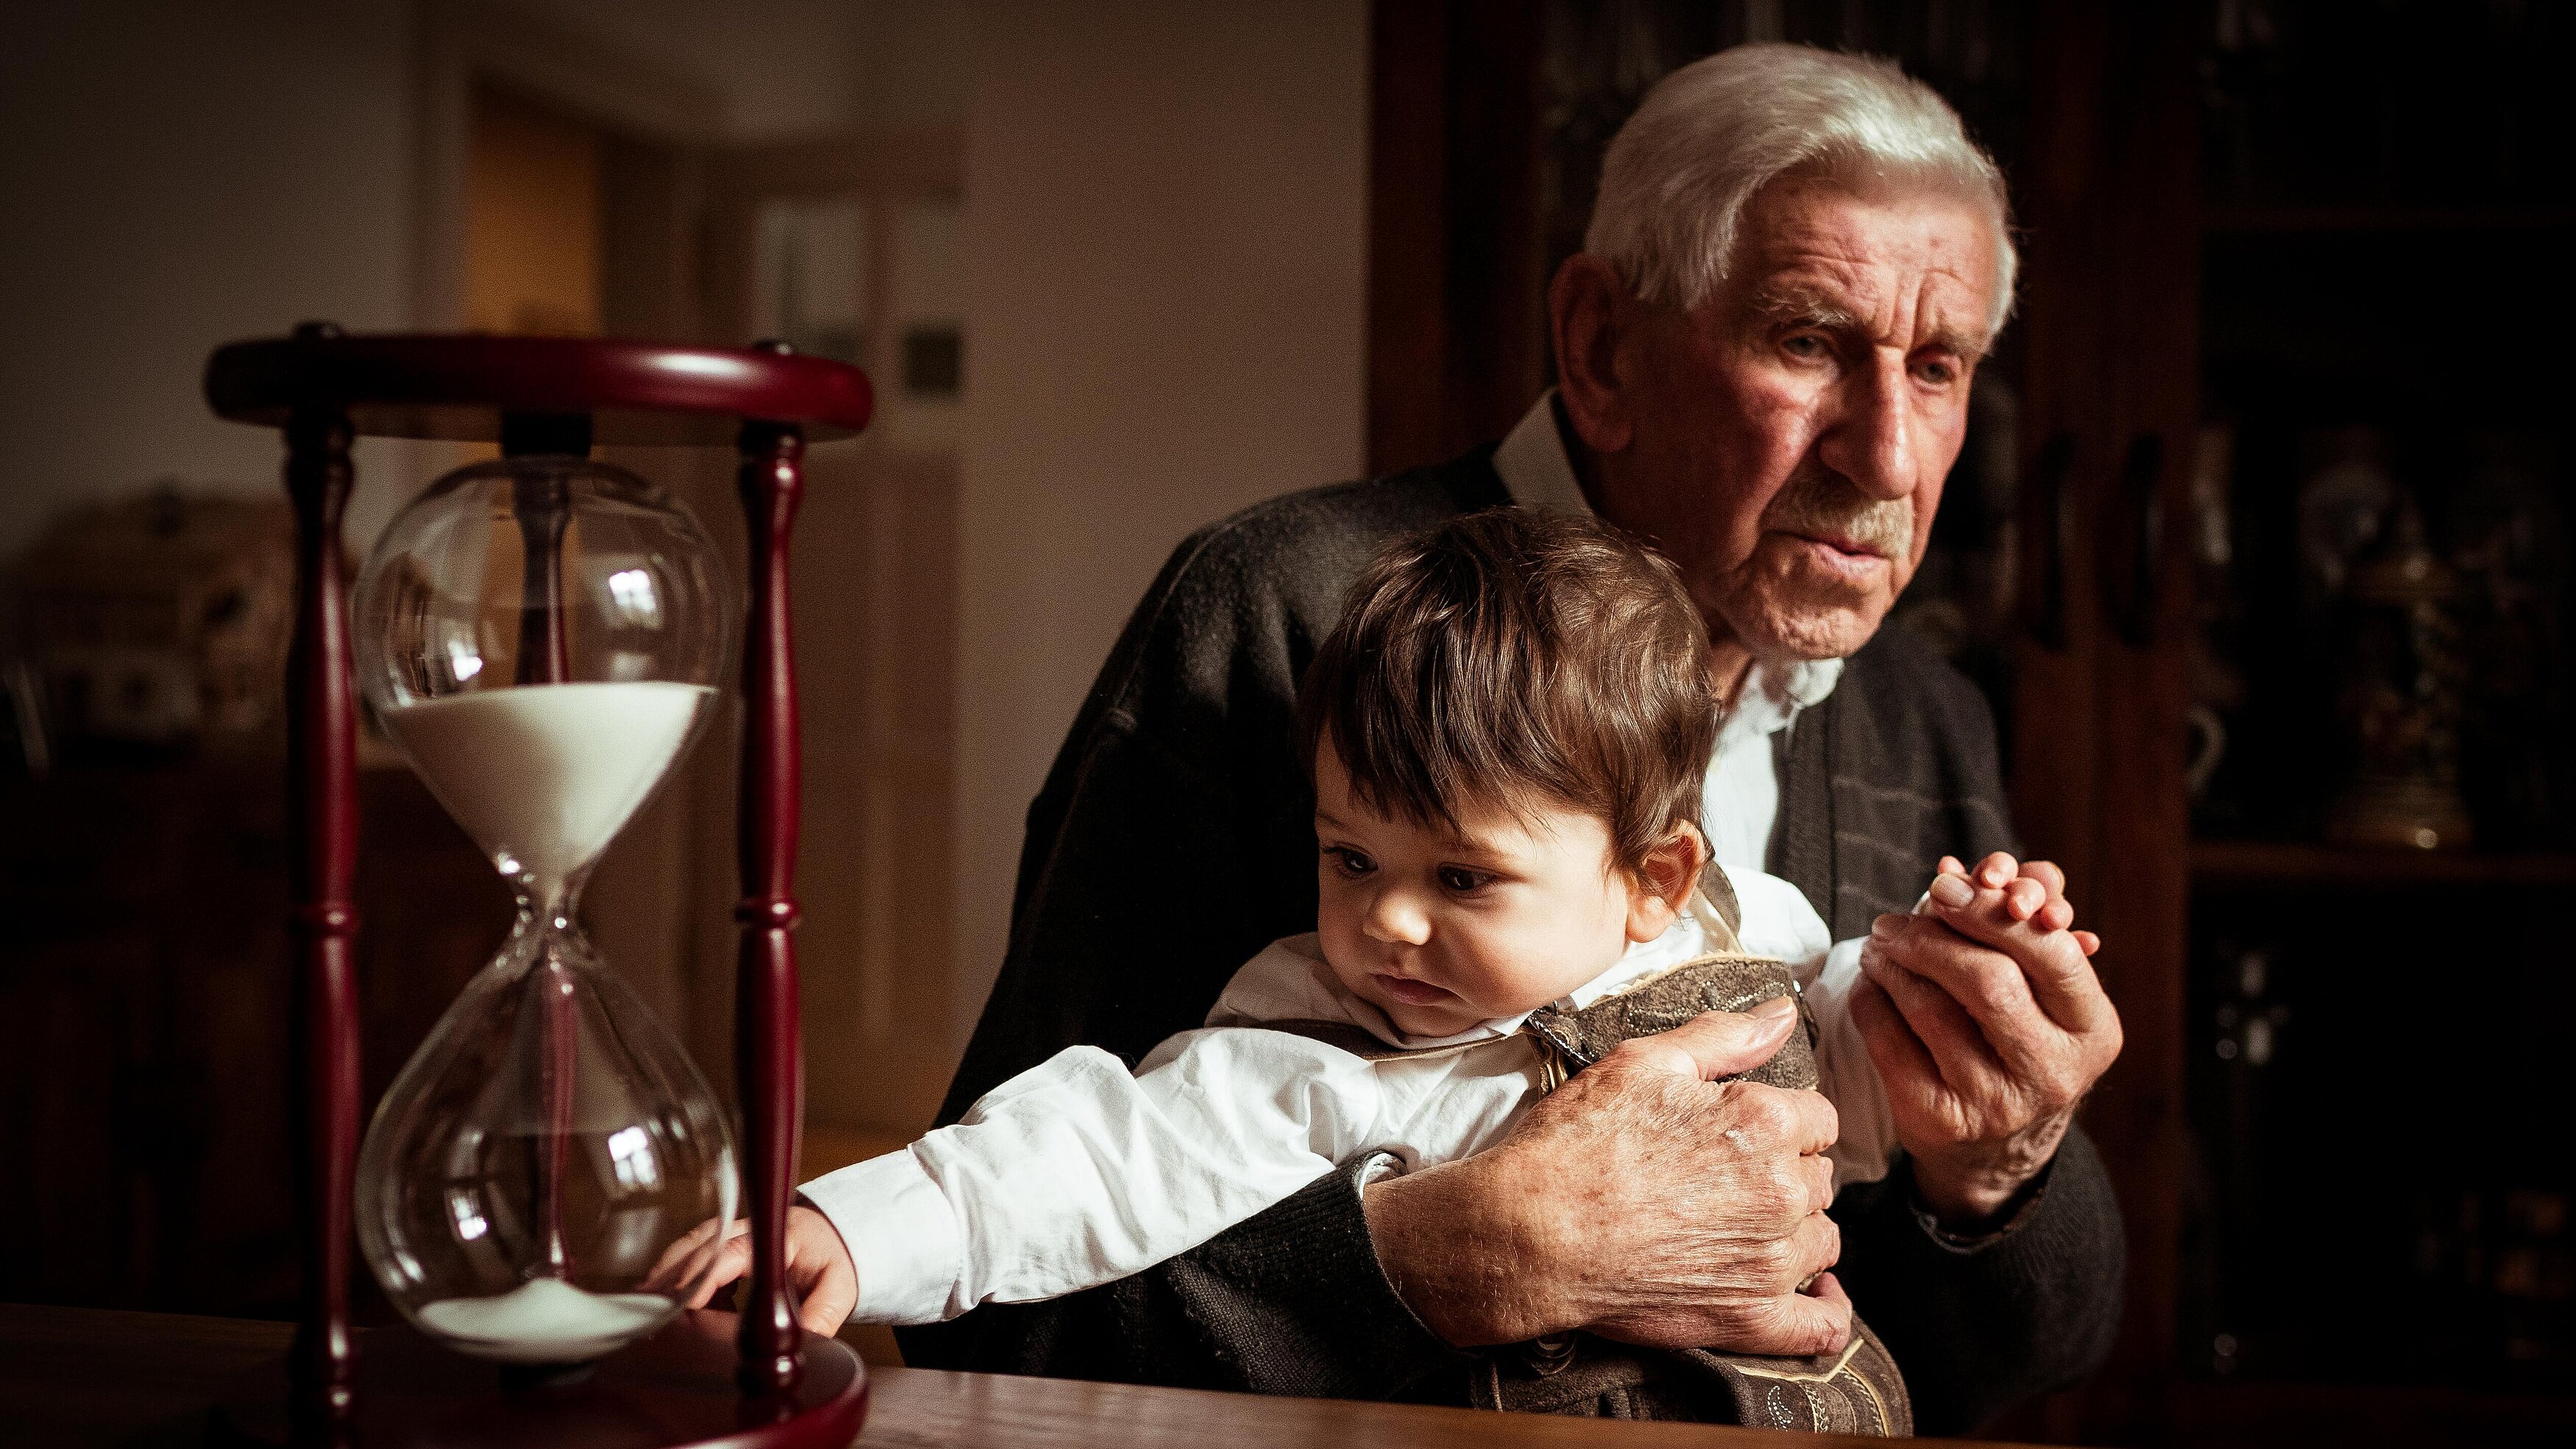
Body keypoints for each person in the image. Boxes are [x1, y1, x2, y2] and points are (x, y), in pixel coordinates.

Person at [894, 43, 2124, 1434]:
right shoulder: (1277, 614)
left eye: (1941, 366)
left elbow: (2036, 1349)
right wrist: (1445, 1260)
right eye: (1806, 341)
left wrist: (2001, 1172)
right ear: (1602, 350)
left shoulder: (1920, 711)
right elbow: (999, 1316)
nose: (1890, 456)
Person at [679, 511, 2092, 1420]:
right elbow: (1087, 1156)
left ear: (1659, 878)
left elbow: (1876, 1072)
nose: (1388, 926)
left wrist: (1966, 968)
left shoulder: (1763, 939)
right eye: (1351, 859)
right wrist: (857, 1232)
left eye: (1461, 878)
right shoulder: (1317, 1040)